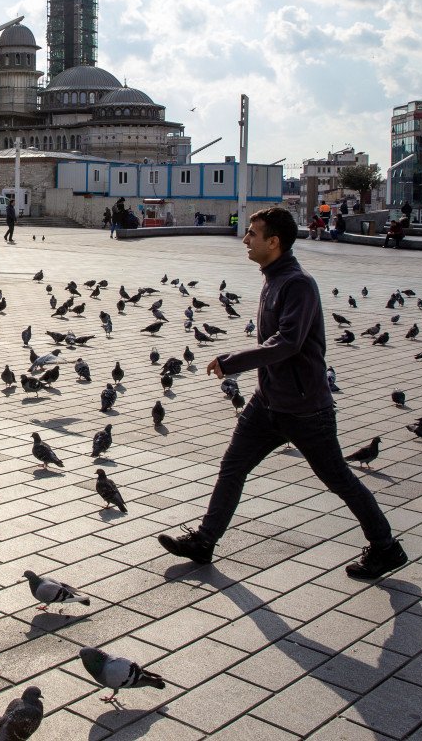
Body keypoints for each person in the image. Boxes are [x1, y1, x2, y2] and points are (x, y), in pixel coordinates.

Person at [159, 207, 406, 580]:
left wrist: (234, 360)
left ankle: (386, 548)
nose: (245, 239)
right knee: (233, 465)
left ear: (273, 242)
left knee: (338, 478)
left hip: (305, 408)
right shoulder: (272, 277)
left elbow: (287, 343)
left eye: (253, 234)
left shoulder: (297, 284)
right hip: (268, 401)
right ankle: (205, 541)